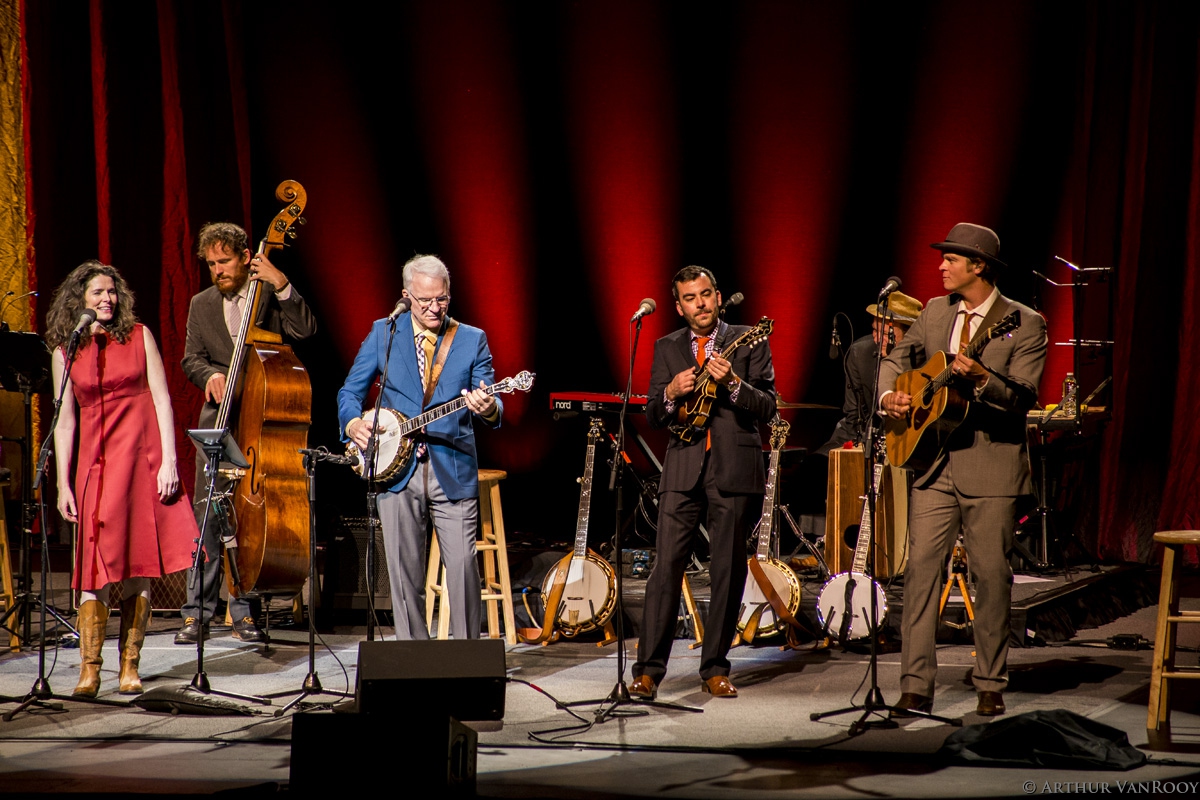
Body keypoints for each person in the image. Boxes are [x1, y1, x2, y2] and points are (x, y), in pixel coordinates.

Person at [879, 223, 1046, 717]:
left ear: (979, 266)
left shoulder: (1023, 321)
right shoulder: (933, 311)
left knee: (991, 578)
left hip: (991, 467)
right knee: (920, 577)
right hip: (933, 464)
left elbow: (1023, 397)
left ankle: (990, 682)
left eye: (951, 259)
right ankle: (914, 685)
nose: (941, 266)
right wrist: (891, 394)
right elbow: (894, 358)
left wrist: (983, 379)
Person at [48, 261, 196, 696]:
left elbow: (163, 400)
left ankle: (130, 665)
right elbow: (64, 424)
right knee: (93, 569)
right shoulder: (65, 350)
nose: (107, 299)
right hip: (96, 463)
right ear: (79, 300)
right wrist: (63, 483)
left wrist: (170, 460)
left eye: (111, 292)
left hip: (141, 459)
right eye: (97, 293)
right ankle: (89, 669)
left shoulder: (140, 336)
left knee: (138, 565)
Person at [630, 266, 777, 700]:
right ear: (678, 306)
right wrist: (672, 392)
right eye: (691, 298)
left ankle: (714, 666)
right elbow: (655, 415)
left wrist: (732, 382)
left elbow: (767, 406)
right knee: (664, 571)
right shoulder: (666, 347)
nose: (701, 304)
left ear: (717, 295)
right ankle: (647, 671)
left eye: (707, 294)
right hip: (682, 468)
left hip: (733, 467)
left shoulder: (749, 338)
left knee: (726, 571)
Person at [338, 254, 501, 640]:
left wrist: (490, 406)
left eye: (441, 299)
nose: (434, 308)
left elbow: (491, 400)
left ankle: (466, 662)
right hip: (397, 472)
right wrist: (354, 423)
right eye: (424, 300)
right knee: (403, 575)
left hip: (453, 467)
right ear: (406, 296)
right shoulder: (385, 333)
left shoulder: (471, 339)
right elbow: (350, 391)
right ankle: (415, 658)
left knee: (462, 569)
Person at [177, 222, 317, 644]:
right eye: (212, 264)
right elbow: (191, 358)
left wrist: (282, 283)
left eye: (225, 261)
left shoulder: (268, 295)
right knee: (207, 516)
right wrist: (210, 376)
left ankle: (244, 611)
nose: (218, 270)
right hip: (219, 421)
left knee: (245, 520)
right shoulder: (201, 304)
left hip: (261, 420)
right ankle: (196, 612)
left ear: (245, 257)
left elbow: (305, 331)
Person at [818, 291, 923, 454]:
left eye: (886, 334)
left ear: (910, 334)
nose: (877, 339)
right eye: (875, 330)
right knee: (817, 464)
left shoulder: (926, 356)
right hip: (868, 436)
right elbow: (854, 417)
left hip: (913, 442)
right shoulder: (860, 354)